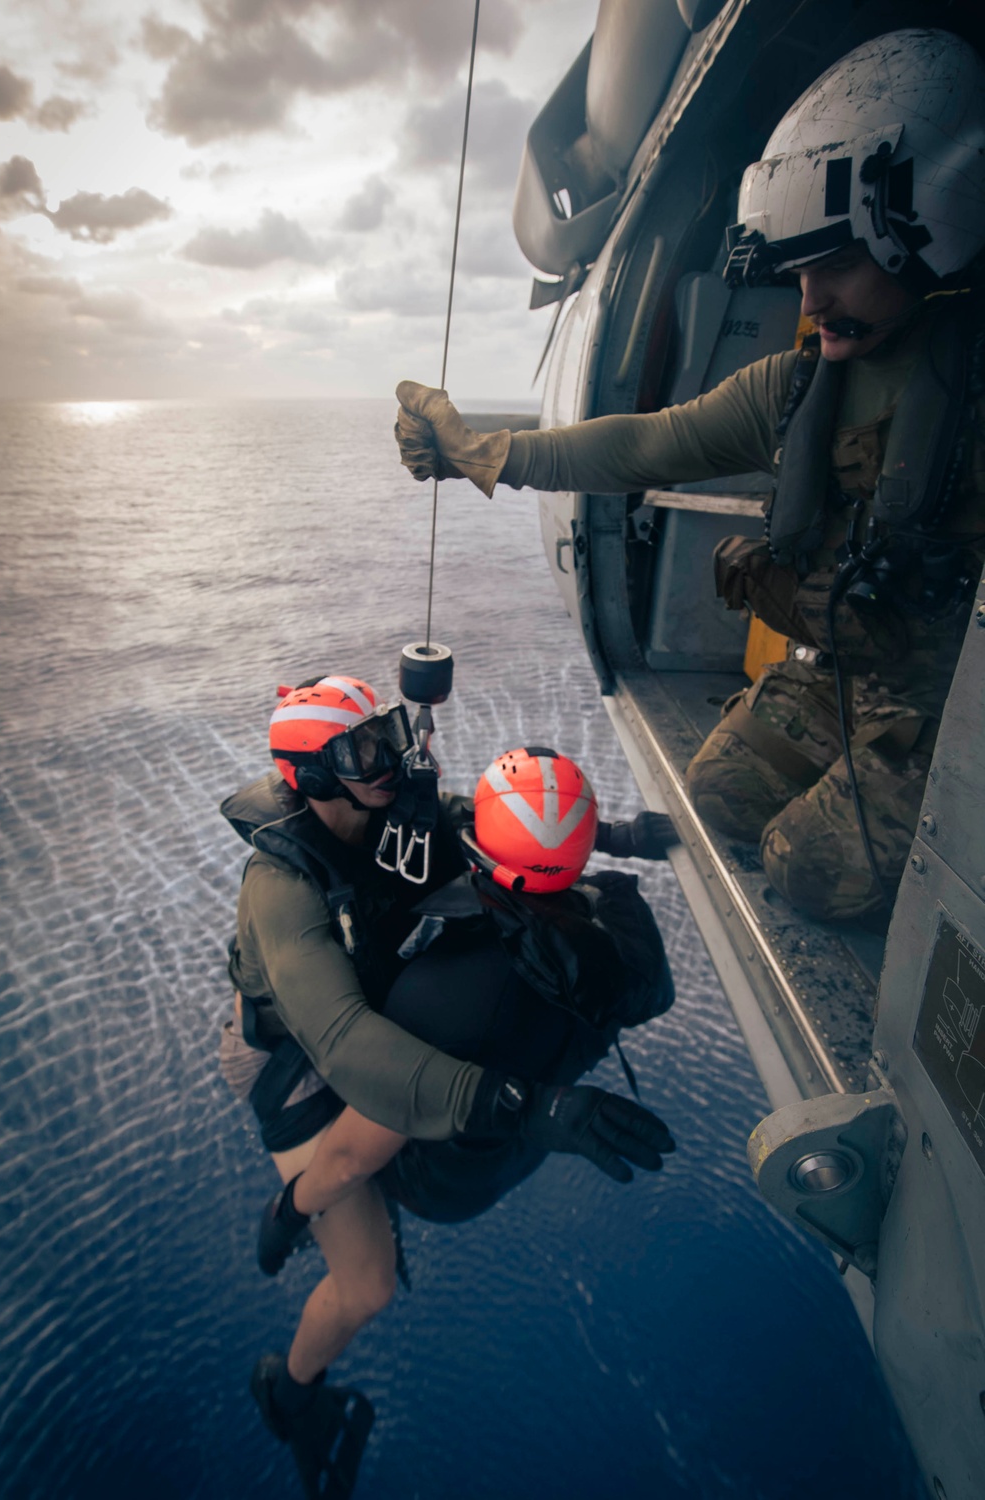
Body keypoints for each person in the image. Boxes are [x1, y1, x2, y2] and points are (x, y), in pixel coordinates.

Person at [394, 27, 985, 924]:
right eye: (800, 270)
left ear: (934, 227)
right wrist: (481, 452)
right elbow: (642, 446)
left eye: (838, 265)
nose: (811, 300)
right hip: (851, 672)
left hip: (953, 705)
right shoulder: (796, 390)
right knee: (720, 791)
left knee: (807, 867)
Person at [219, 673, 677, 1497]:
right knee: (367, 1283)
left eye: (390, 733)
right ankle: (289, 1392)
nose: (393, 758)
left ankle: (314, 1210)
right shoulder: (279, 888)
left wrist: (618, 835)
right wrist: (521, 1105)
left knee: (383, 1132)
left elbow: (482, 821)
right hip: (297, 1056)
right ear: (312, 774)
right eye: (365, 749)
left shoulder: (385, 803)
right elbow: (344, 1045)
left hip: (362, 1008)